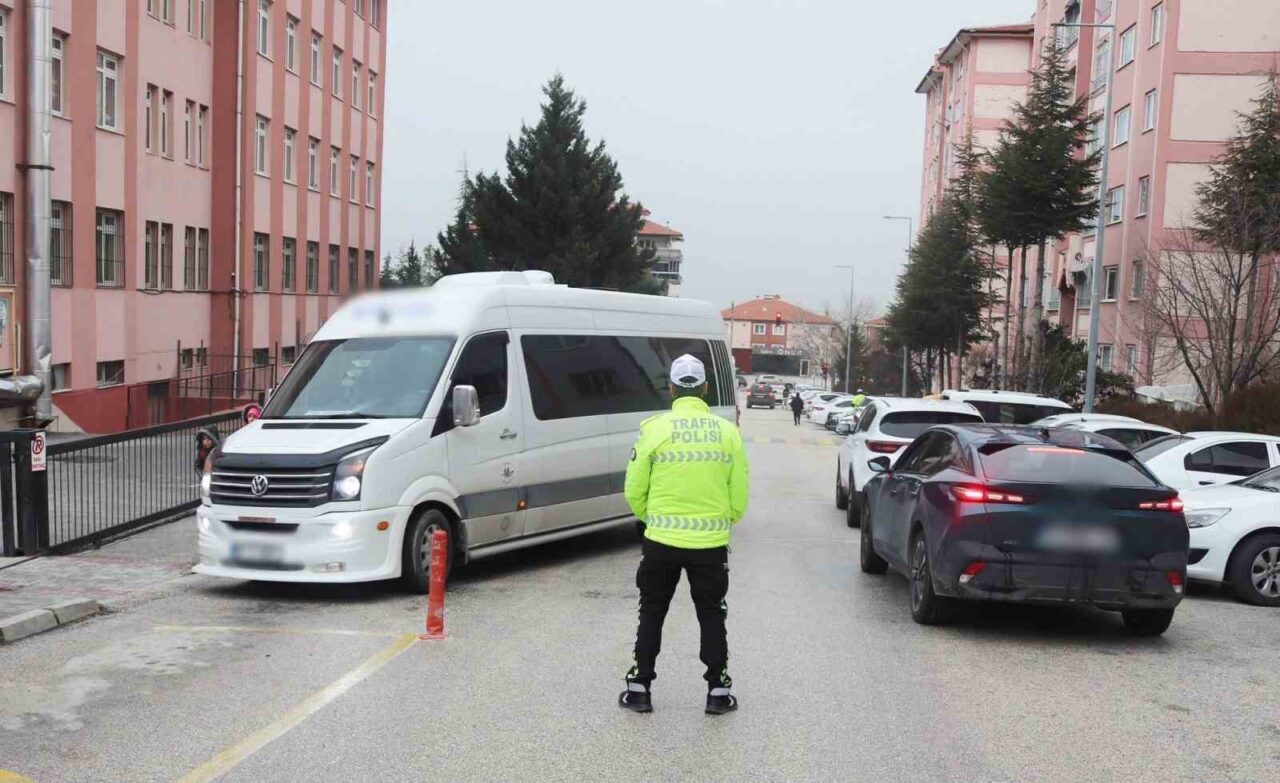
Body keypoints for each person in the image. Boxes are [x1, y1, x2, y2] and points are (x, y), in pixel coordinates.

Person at [619, 354, 749, 716]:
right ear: (705, 389)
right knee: (711, 613)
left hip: (661, 541)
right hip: (709, 545)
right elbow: (738, 496)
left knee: (653, 610)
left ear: (672, 389)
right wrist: (720, 521)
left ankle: (639, 686)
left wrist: (652, 518)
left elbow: (633, 489)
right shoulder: (728, 433)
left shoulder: (654, 429)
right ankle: (718, 690)